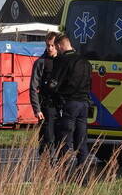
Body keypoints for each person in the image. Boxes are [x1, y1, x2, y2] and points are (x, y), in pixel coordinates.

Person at [51, 34, 92, 166]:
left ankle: (64, 171)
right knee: (81, 140)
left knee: (65, 139)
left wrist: (49, 91)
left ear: (59, 45)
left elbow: (54, 84)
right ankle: (82, 174)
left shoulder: (63, 61)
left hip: (69, 104)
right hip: (84, 104)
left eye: (57, 48)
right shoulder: (85, 62)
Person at [29, 32, 60, 155]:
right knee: (47, 137)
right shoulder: (41, 62)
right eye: (48, 45)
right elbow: (33, 87)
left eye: (52, 45)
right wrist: (37, 109)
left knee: (59, 137)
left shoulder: (63, 61)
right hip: (46, 105)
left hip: (60, 105)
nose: (50, 48)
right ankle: (44, 162)